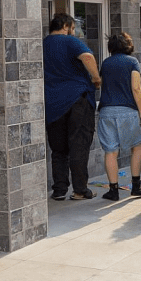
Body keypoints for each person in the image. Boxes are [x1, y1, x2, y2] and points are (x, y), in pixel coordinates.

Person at [44, 13, 102, 200]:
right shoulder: (69, 41)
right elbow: (87, 57)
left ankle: (59, 190)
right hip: (78, 100)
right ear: (65, 26)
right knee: (79, 146)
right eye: (73, 28)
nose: (74, 32)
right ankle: (80, 190)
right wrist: (96, 78)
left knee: (58, 150)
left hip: (53, 105)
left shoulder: (43, 44)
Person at [97, 32, 141, 201]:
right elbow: (136, 88)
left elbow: (100, 84)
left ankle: (113, 191)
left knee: (111, 151)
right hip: (127, 111)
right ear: (128, 45)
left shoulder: (106, 63)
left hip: (106, 112)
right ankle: (136, 186)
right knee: (137, 147)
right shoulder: (132, 62)